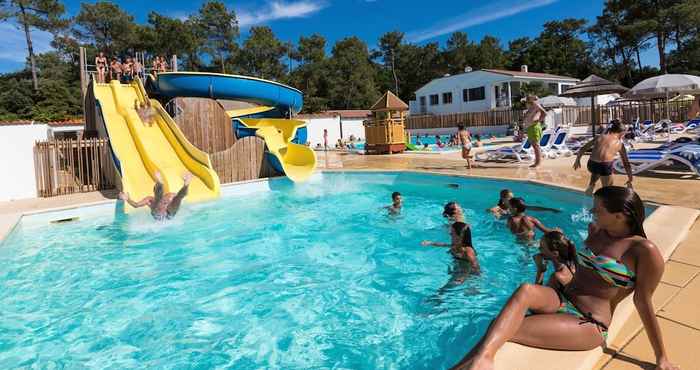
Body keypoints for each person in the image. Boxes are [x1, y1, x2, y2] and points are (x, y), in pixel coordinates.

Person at [450, 186, 679, 370]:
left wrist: (662, 357)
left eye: (598, 210)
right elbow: (577, 265)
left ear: (621, 215)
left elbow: (643, 302)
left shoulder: (644, 251)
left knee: (506, 330)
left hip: (589, 322)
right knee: (525, 291)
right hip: (561, 299)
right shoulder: (597, 232)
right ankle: (483, 360)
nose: (591, 213)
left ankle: (475, 363)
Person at [573, 120, 634, 196]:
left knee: (598, 167)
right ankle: (604, 202)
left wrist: (577, 160)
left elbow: (583, 148)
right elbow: (626, 163)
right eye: (624, 134)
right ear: (621, 133)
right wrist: (630, 178)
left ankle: (591, 185)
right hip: (605, 166)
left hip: (591, 164)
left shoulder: (600, 136)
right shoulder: (620, 144)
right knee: (607, 190)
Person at [118, 171, 192, 221]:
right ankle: (185, 185)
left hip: (169, 213)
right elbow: (136, 205)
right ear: (155, 191)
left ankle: (186, 185)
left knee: (177, 198)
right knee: (164, 200)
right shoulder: (150, 200)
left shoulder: (168, 196)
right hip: (159, 214)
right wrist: (127, 199)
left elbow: (182, 196)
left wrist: (127, 199)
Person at [489, 189, 561, 217]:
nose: (513, 199)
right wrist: (497, 213)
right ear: (503, 199)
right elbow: (490, 210)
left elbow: (534, 208)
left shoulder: (517, 204)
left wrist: (550, 209)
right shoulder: (500, 207)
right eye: (510, 197)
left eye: (513, 197)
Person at [523, 95, 547, 168]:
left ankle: (537, 163)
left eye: (527, 101)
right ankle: (537, 162)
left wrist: (537, 120)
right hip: (530, 128)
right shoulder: (531, 108)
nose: (526, 103)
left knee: (536, 146)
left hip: (534, 128)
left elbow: (544, 113)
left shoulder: (536, 106)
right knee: (535, 146)